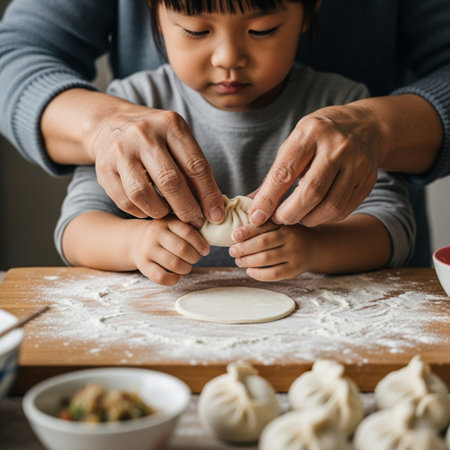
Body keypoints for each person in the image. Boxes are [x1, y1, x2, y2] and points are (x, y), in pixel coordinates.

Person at [0, 0, 448, 266]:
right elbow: (77, 226)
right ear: (154, 14)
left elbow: (392, 225)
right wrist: (134, 244)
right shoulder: (136, 100)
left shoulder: (341, 102)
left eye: (262, 29)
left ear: (309, 12)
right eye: (196, 30)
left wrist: (313, 250)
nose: (228, 58)